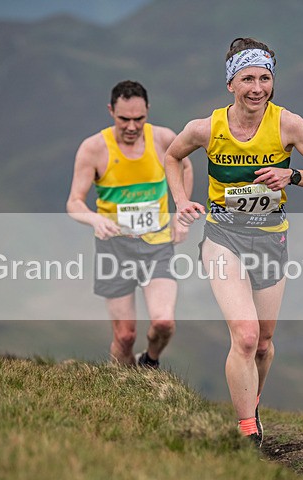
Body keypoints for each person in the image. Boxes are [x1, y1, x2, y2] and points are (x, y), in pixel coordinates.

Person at [164, 38, 303, 445]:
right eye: (247, 79)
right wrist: (181, 201)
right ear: (231, 84)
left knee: (263, 344)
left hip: (271, 238)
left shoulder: (289, 124)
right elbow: (173, 156)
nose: (257, 88)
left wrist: (291, 176)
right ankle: (247, 433)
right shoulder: (205, 128)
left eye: (265, 78)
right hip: (223, 236)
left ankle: (251, 403)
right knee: (244, 335)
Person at [67, 80, 193, 368]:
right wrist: (94, 218)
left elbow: (185, 166)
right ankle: (122, 387)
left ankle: (150, 361)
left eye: (139, 118)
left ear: (148, 111)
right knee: (125, 336)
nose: (132, 126)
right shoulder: (94, 148)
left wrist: (180, 212)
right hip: (115, 249)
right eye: (124, 119)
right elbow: (74, 202)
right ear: (111, 111)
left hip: (157, 245)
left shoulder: (163, 139)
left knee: (164, 323)